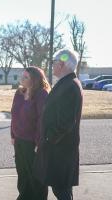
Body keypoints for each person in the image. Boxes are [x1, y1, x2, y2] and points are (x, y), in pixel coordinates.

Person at [33, 49, 83, 200]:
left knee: (61, 190)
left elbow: (66, 123)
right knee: (62, 190)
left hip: (60, 149)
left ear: (62, 64)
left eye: (54, 62)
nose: (52, 65)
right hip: (59, 148)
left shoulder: (70, 86)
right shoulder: (66, 83)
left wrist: (47, 139)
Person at [11, 67, 50, 200]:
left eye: (26, 77)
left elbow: (43, 120)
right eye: (23, 75)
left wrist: (39, 142)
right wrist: (12, 135)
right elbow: (14, 115)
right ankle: (24, 196)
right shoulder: (19, 93)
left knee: (35, 176)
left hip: (32, 142)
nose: (22, 78)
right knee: (22, 173)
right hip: (19, 140)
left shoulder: (42, 94)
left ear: (35, 80)